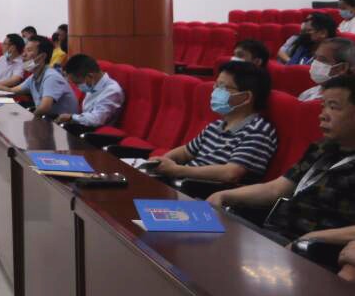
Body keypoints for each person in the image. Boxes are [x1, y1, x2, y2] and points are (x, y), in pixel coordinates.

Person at [207, 75, 355, 253]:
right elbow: (275, 189)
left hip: (311, 250)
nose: (322, 115)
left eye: (333, 107)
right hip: (276, 233)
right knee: (203, 215)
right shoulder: (321, 147)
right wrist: (224, 195)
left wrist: (314, 237)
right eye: (323, 106)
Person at [146, 61, 277, 185]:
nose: (215, 91)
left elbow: (231, 173)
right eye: (216, 85)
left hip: (203, 192)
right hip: (182, 183)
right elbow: (186, 152)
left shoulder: (258, 131)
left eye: (222, 87)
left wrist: (177, 170)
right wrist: (162, 161)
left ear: (246, 97)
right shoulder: (216, 125)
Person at [9, 35, 78, 117]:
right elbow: (12, 91)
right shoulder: (35, 76)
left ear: (42, 56)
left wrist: (30, 118)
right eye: (24, 51)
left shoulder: (51, 77)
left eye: (29, 50)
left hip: (62, 123)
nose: (23, 54)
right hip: (47, 120)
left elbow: (45, 107)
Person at [56, 54, 124, 129]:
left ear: (90, 76)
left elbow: (96, 119)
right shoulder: (93, 85)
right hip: (83, 126)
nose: (77, 87)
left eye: (77, 83)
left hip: (97, 133)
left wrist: (71, 117)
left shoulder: (112, 91)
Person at [298, 37, 353, 102]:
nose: (315, 63)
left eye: (323, 60)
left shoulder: (345, 103)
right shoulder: (310, 92)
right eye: (315, 57)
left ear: (342, 68)